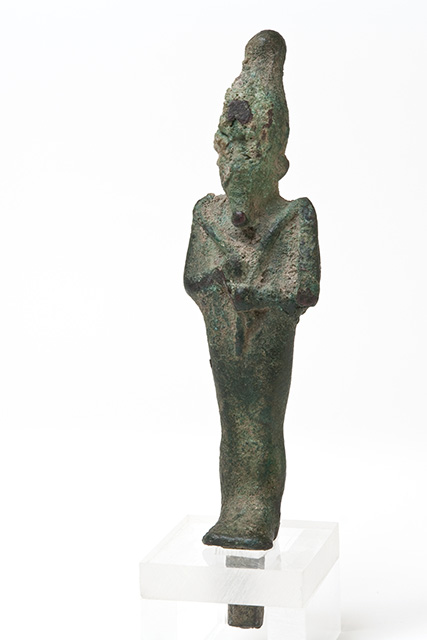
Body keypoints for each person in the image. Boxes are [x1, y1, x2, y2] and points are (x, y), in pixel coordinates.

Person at [184, 30, 320, 550]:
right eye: (228, 153)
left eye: (252, 153)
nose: (234, 165)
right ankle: (234, 510)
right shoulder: (207, 214)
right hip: (226, 340)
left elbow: (301, 287)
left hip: (266, 341)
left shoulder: (294, 216)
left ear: (278, 159)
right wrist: (225, 283)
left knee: (261, 422)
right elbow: (195, 277)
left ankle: (258, 512)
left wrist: (255, 292)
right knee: (232, 423)